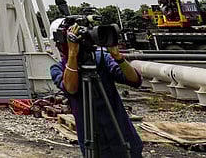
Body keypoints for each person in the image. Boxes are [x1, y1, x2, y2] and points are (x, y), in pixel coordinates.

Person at [49, 18, 144, 157]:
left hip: (121, 134)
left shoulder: (101, 58)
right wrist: (73, 54)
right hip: (94, 141)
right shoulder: (58, 68)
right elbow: (71, 88)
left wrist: (118, 57)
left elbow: (135, 80)